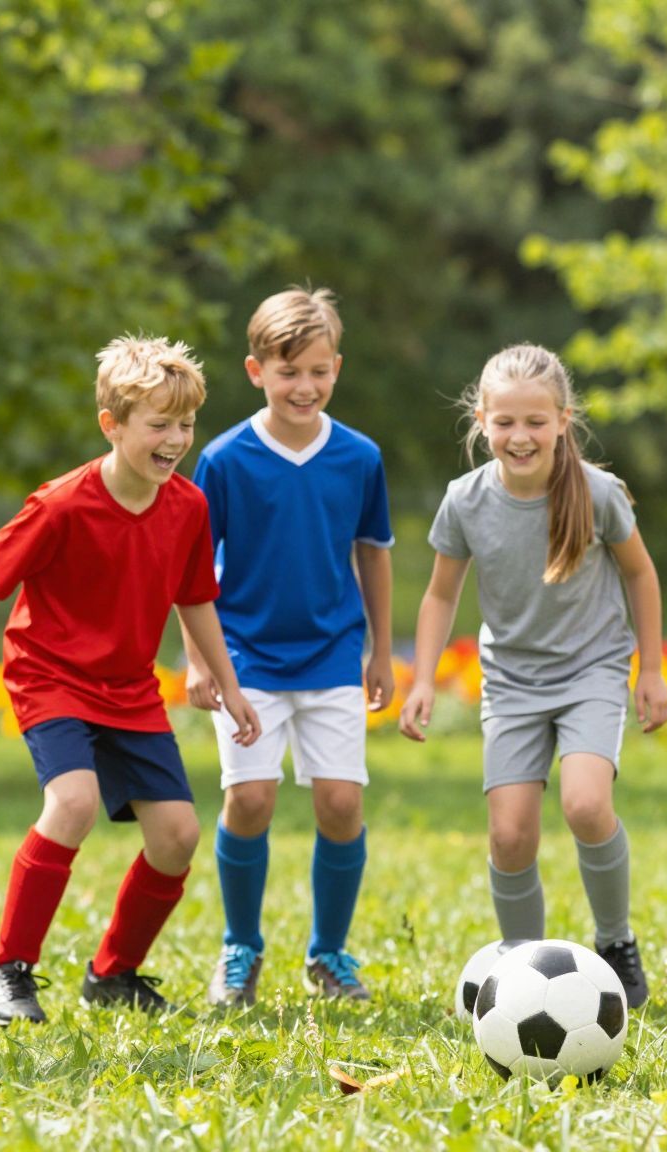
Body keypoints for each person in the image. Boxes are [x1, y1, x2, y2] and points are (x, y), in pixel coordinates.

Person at [0, 336, 260, 1023]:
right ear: (112, 425)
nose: (176, 439)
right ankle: (7, 974)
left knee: (177, 835)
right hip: (50, 676)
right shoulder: (62, 504)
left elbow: (195, 597)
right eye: (159, 424)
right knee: (73, 804)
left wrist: (225, 683)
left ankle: (114, 975)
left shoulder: (187, 507)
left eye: (185, 424)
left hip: (129, 688)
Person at [399, 344, 667, 1008]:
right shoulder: (464, 500)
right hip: (513, 681)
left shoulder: (598, 494)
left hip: (592, 670)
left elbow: (640, 571)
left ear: (562, 421)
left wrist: (652, 669)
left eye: (535, 422)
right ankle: (524, 969)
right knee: (509, 834)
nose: (520, 437)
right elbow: (439, 595)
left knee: (585, 805)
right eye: (505, 422)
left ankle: (615, 942)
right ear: (482, 420)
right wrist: (425, 679)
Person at [184, 288, 395, 1006]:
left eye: (318, 371)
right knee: (250, 799)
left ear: (337, 367)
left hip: (333, 652)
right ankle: (240, 947)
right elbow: (189, 568)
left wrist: (381, 649)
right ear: (256, 370)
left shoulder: (360, 457)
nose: (304, 387)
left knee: (340, 802)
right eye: (288, 372)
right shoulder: (223, 459)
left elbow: (373, 553)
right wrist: (196, 659)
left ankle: (330, 955)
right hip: (245, 654)